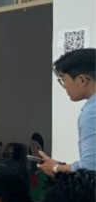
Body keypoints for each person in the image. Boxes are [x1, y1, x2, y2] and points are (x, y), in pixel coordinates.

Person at [39, 47, 96, 176]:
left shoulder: (92, 114)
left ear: (82, 80)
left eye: (64, 80)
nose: (64, 86)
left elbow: (91, 167)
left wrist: (56, 168)